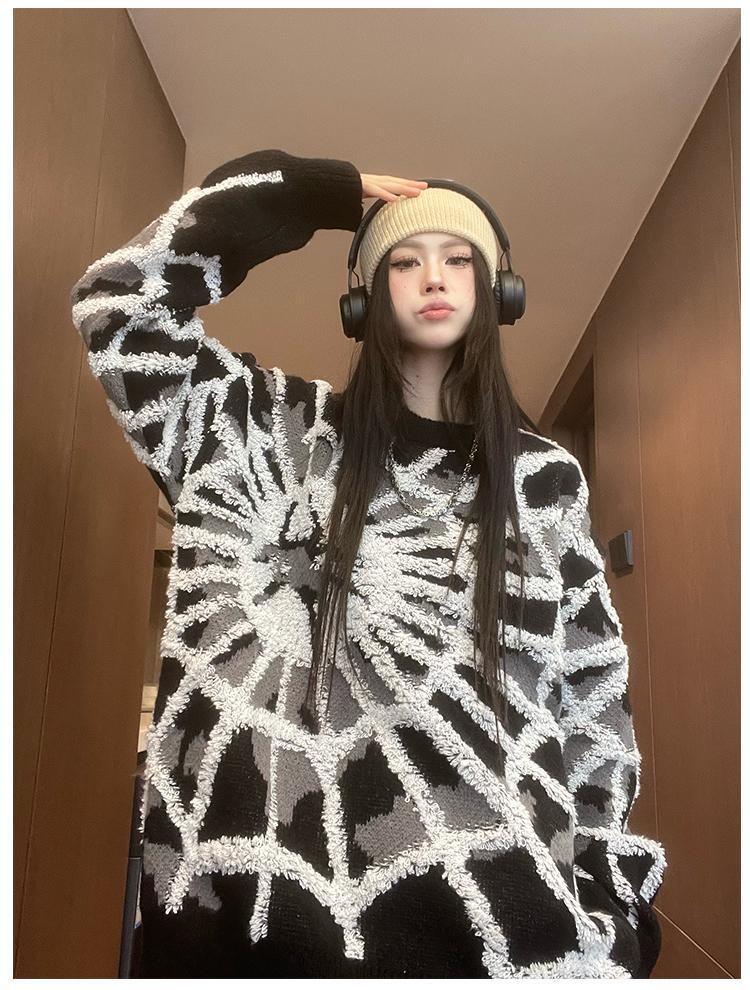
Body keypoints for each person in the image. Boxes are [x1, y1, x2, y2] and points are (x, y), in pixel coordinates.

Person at [69, 149, 667, 978]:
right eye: (404, 261)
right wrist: (310, 195)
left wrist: (611, 899)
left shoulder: (542, 479)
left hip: (512, 934)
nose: (434, 277)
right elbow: (120, 305)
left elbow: (591, 695)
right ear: (363, 299)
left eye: (460, 259)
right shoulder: (266, 430)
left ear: (500, 292)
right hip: (257, 933)